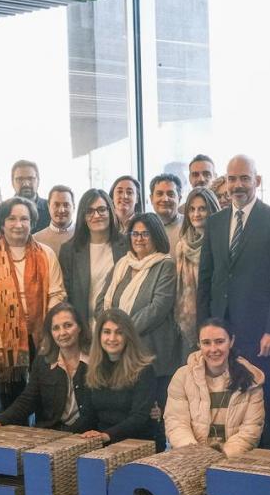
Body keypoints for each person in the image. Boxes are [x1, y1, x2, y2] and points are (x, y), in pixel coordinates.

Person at [197, 155, 270, 447]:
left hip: (259, 332)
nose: (237, 185)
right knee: (226, 397)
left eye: (244, 178)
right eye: (232, 179)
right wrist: (203, 330)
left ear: (257, 181)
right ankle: (232, 454)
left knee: (263, 392)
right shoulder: (215, 222)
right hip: (220, 331)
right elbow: (206, 278)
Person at [0, 196, 67, 409]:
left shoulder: (47, 254)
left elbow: (57, 295)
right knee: (11, 405)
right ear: (2, 223)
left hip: (42, 338)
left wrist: (50, 334)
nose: (18, 224)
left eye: (24, 219)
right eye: (12, 218)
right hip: (4, 343)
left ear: (32, 223)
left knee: (46, 401)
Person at [94, 212, 180, 422]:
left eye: (145, 234)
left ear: (156, 236)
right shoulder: (122, 264)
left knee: (150, 417)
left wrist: (121, 332)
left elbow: (157, 309)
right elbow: (101, 303)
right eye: (135, 233)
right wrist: (109, 329)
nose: (139, 239)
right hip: (119, 357)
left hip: (151, 354)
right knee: (123, 415)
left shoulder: (165, 265)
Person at [0, 302, 88, 431]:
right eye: (56, 328)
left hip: (86, 433)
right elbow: (28, 399)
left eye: (68, 325)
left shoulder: (95, 361)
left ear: (80, 327)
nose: (62, 333)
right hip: (50, 432)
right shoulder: (43, 362)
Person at [165, 319, 265, 457]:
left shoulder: (252, 379)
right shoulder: (182, 377)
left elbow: (250, 430)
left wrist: (221, 457)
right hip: (190, 459)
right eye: (206, 343)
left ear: (231, 341)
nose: (213, 349)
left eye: (219, 342)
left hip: (233, 460)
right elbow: (176, 423)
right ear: (199, 344)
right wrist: (196, 455)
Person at [77, 309, 157, 445]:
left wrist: (107, 435)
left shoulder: (144, 370)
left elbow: (139, 417)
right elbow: (88, 416)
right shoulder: (93, 369)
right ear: (99, 336)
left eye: (119, 332)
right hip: (102, 442)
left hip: (138, 443)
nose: (112, 338)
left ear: (128, 336)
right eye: (107, 332)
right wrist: (65, 436)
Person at [59, 189, 128, 330]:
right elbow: (67, 296)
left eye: (101, 209)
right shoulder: (69, 250)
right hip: (84, 328)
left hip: (121, 327)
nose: (96, 215)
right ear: (83, 216)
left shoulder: (127, 245)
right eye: (89, 211)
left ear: (110, 211)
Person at [174, 187, 220, 355]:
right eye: (192, 209)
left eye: (202, 209)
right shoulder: (182, 245)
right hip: (187, 319)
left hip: (214, 316)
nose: (196, 214)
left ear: (212, 210)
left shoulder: (220, 242)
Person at [35, 185, 75, 255]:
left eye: (66, 205)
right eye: (56, 205)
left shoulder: (85, 236)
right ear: (48, 206)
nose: (61, 210)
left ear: (74, 207)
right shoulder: (36, 240)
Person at [10, 159, 49, 233]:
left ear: (38, 181)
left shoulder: (51, 208)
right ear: (12, 182)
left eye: (30, 178)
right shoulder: (2, 210)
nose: (26, 184)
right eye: (20, 179)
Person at [150, 173, 184, 246]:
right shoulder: (144, 228)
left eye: (170, 194)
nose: (165, 199)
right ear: (151, 199)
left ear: (179, 199)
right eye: (159, 194)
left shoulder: (189, 226)